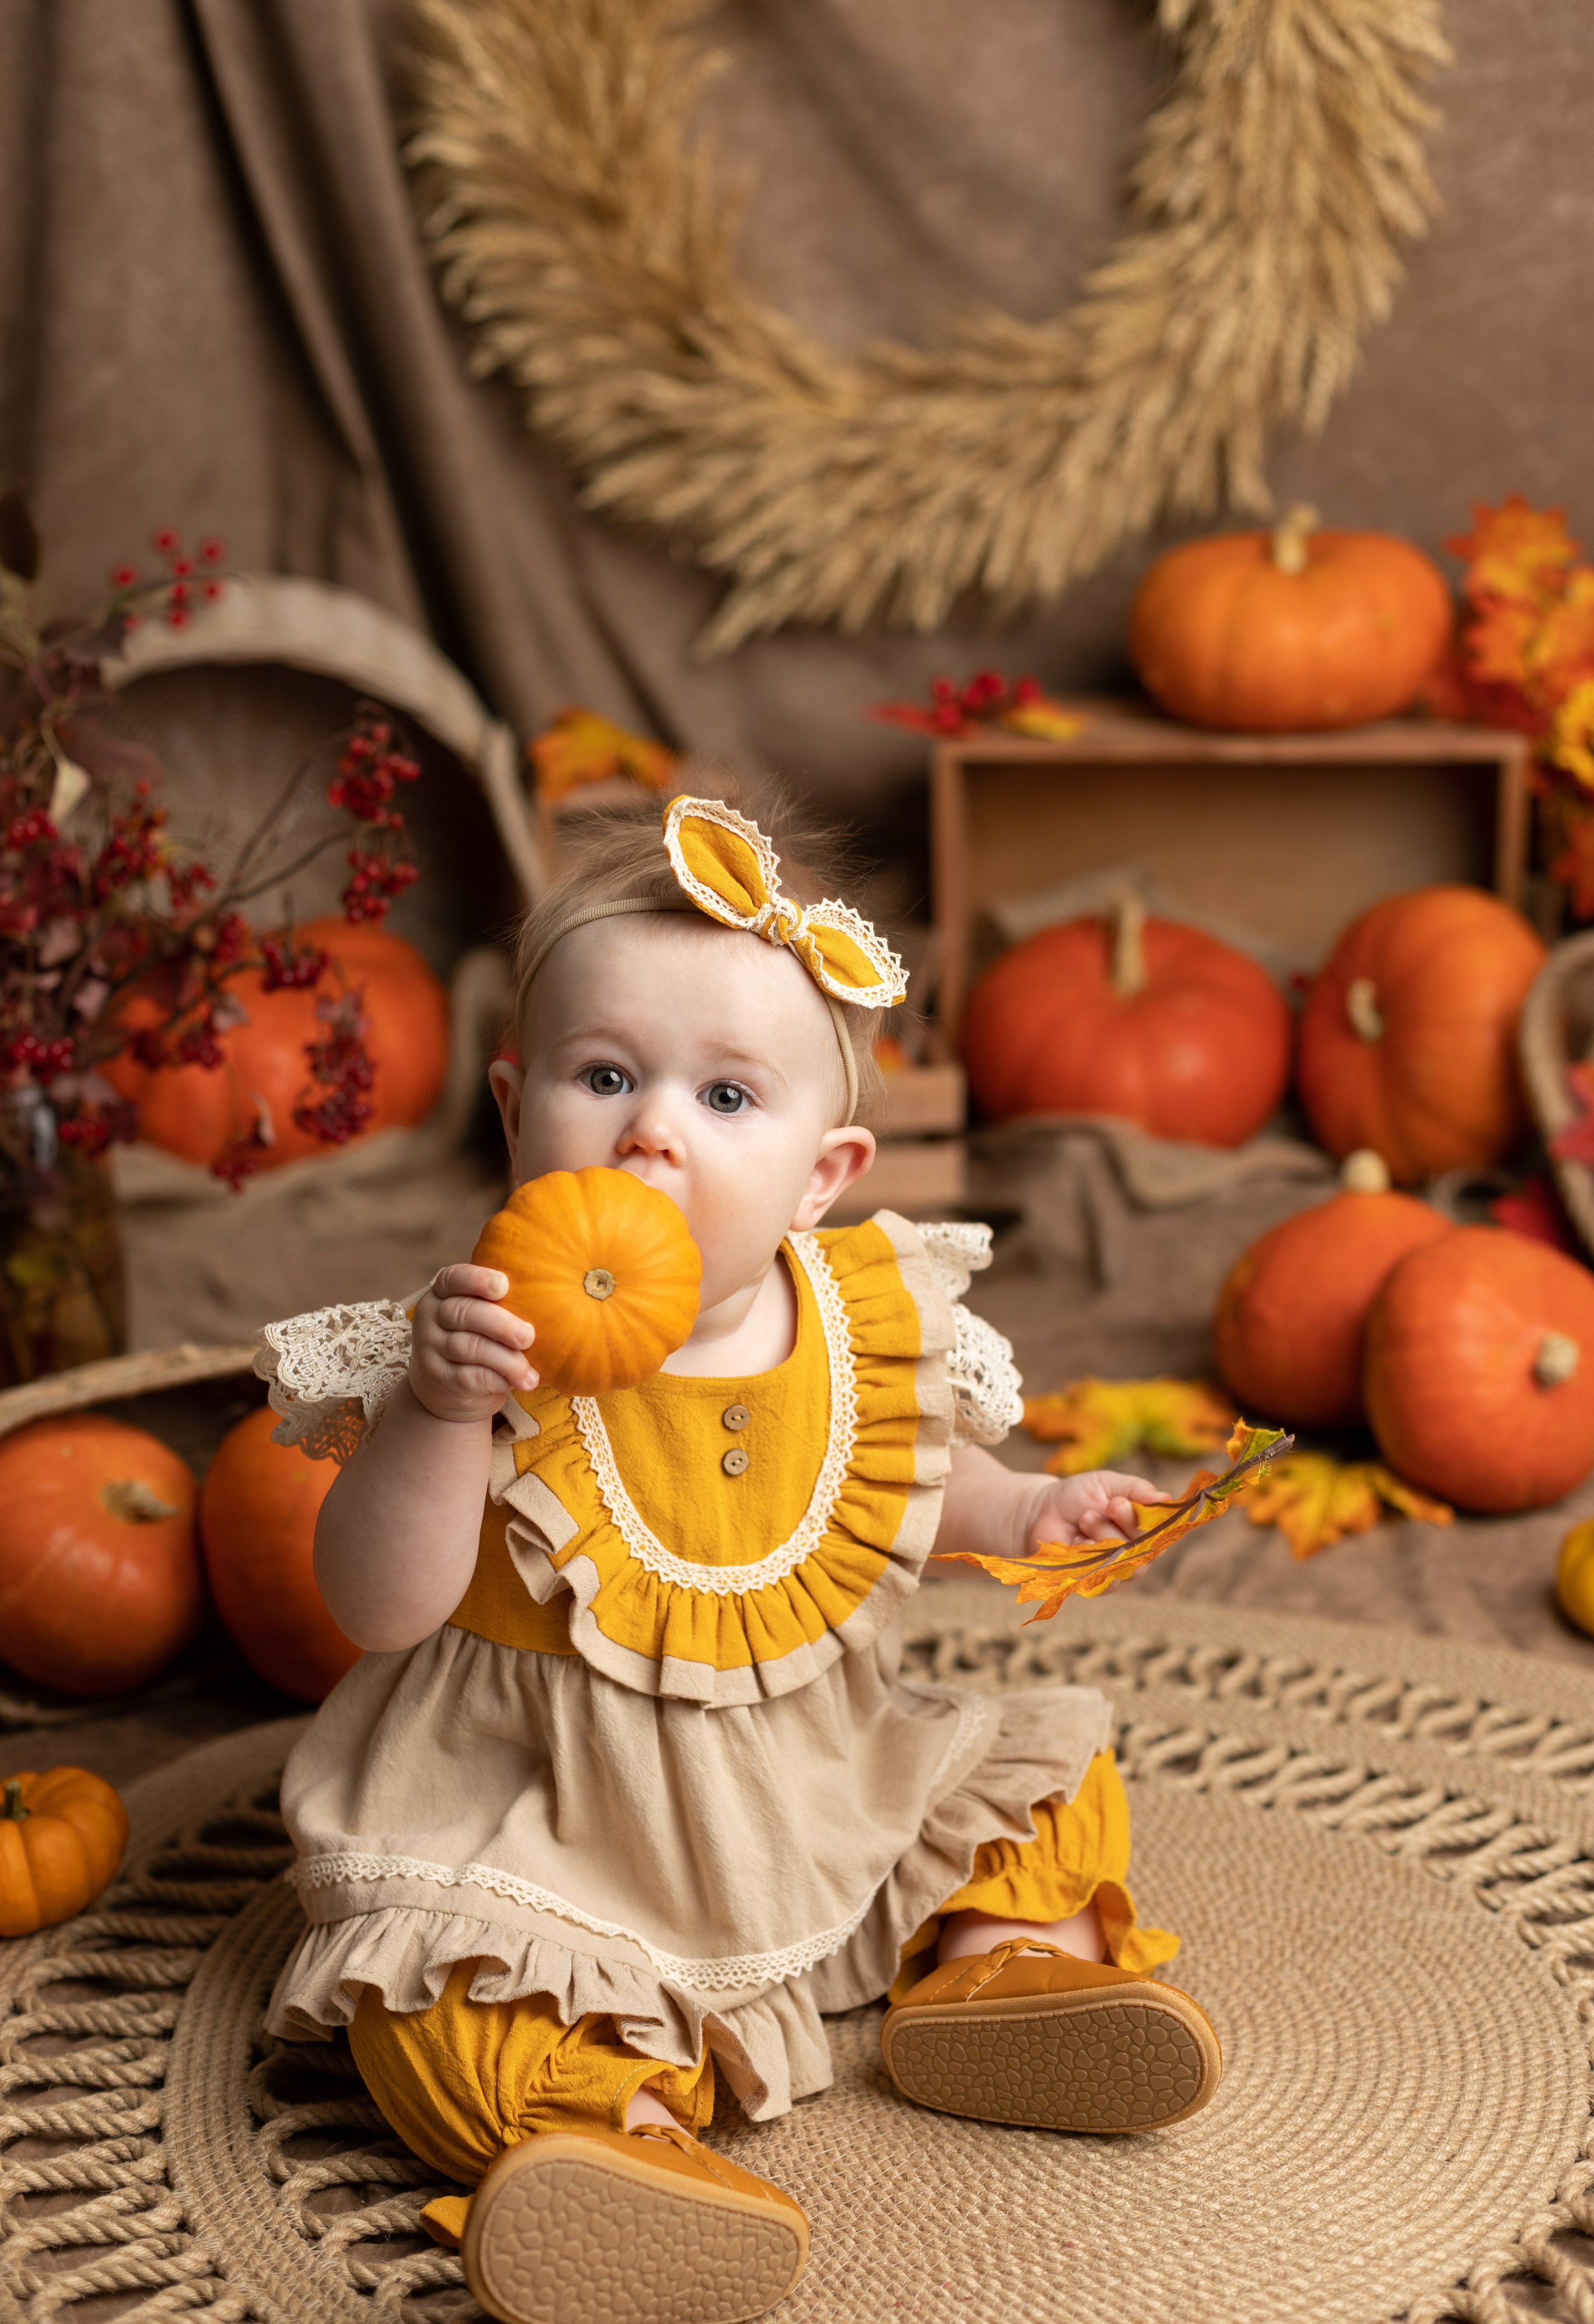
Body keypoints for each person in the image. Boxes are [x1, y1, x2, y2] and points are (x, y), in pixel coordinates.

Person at [258, 788, 1222, 2324]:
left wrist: (1023, 1513)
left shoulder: (854, 1323)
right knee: (440, 1999)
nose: (650, 1126)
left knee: (1038, 1783)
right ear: (514, 1109)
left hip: (802, 1791)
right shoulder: (476, 1344)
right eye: (603, 1075)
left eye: (724, 1099)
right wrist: (442, 1414)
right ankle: (609, 2140)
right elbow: (378, 1606)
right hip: (539, 1823)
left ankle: (1005, 1965)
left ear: (822, 1174)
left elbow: (903, 1477)